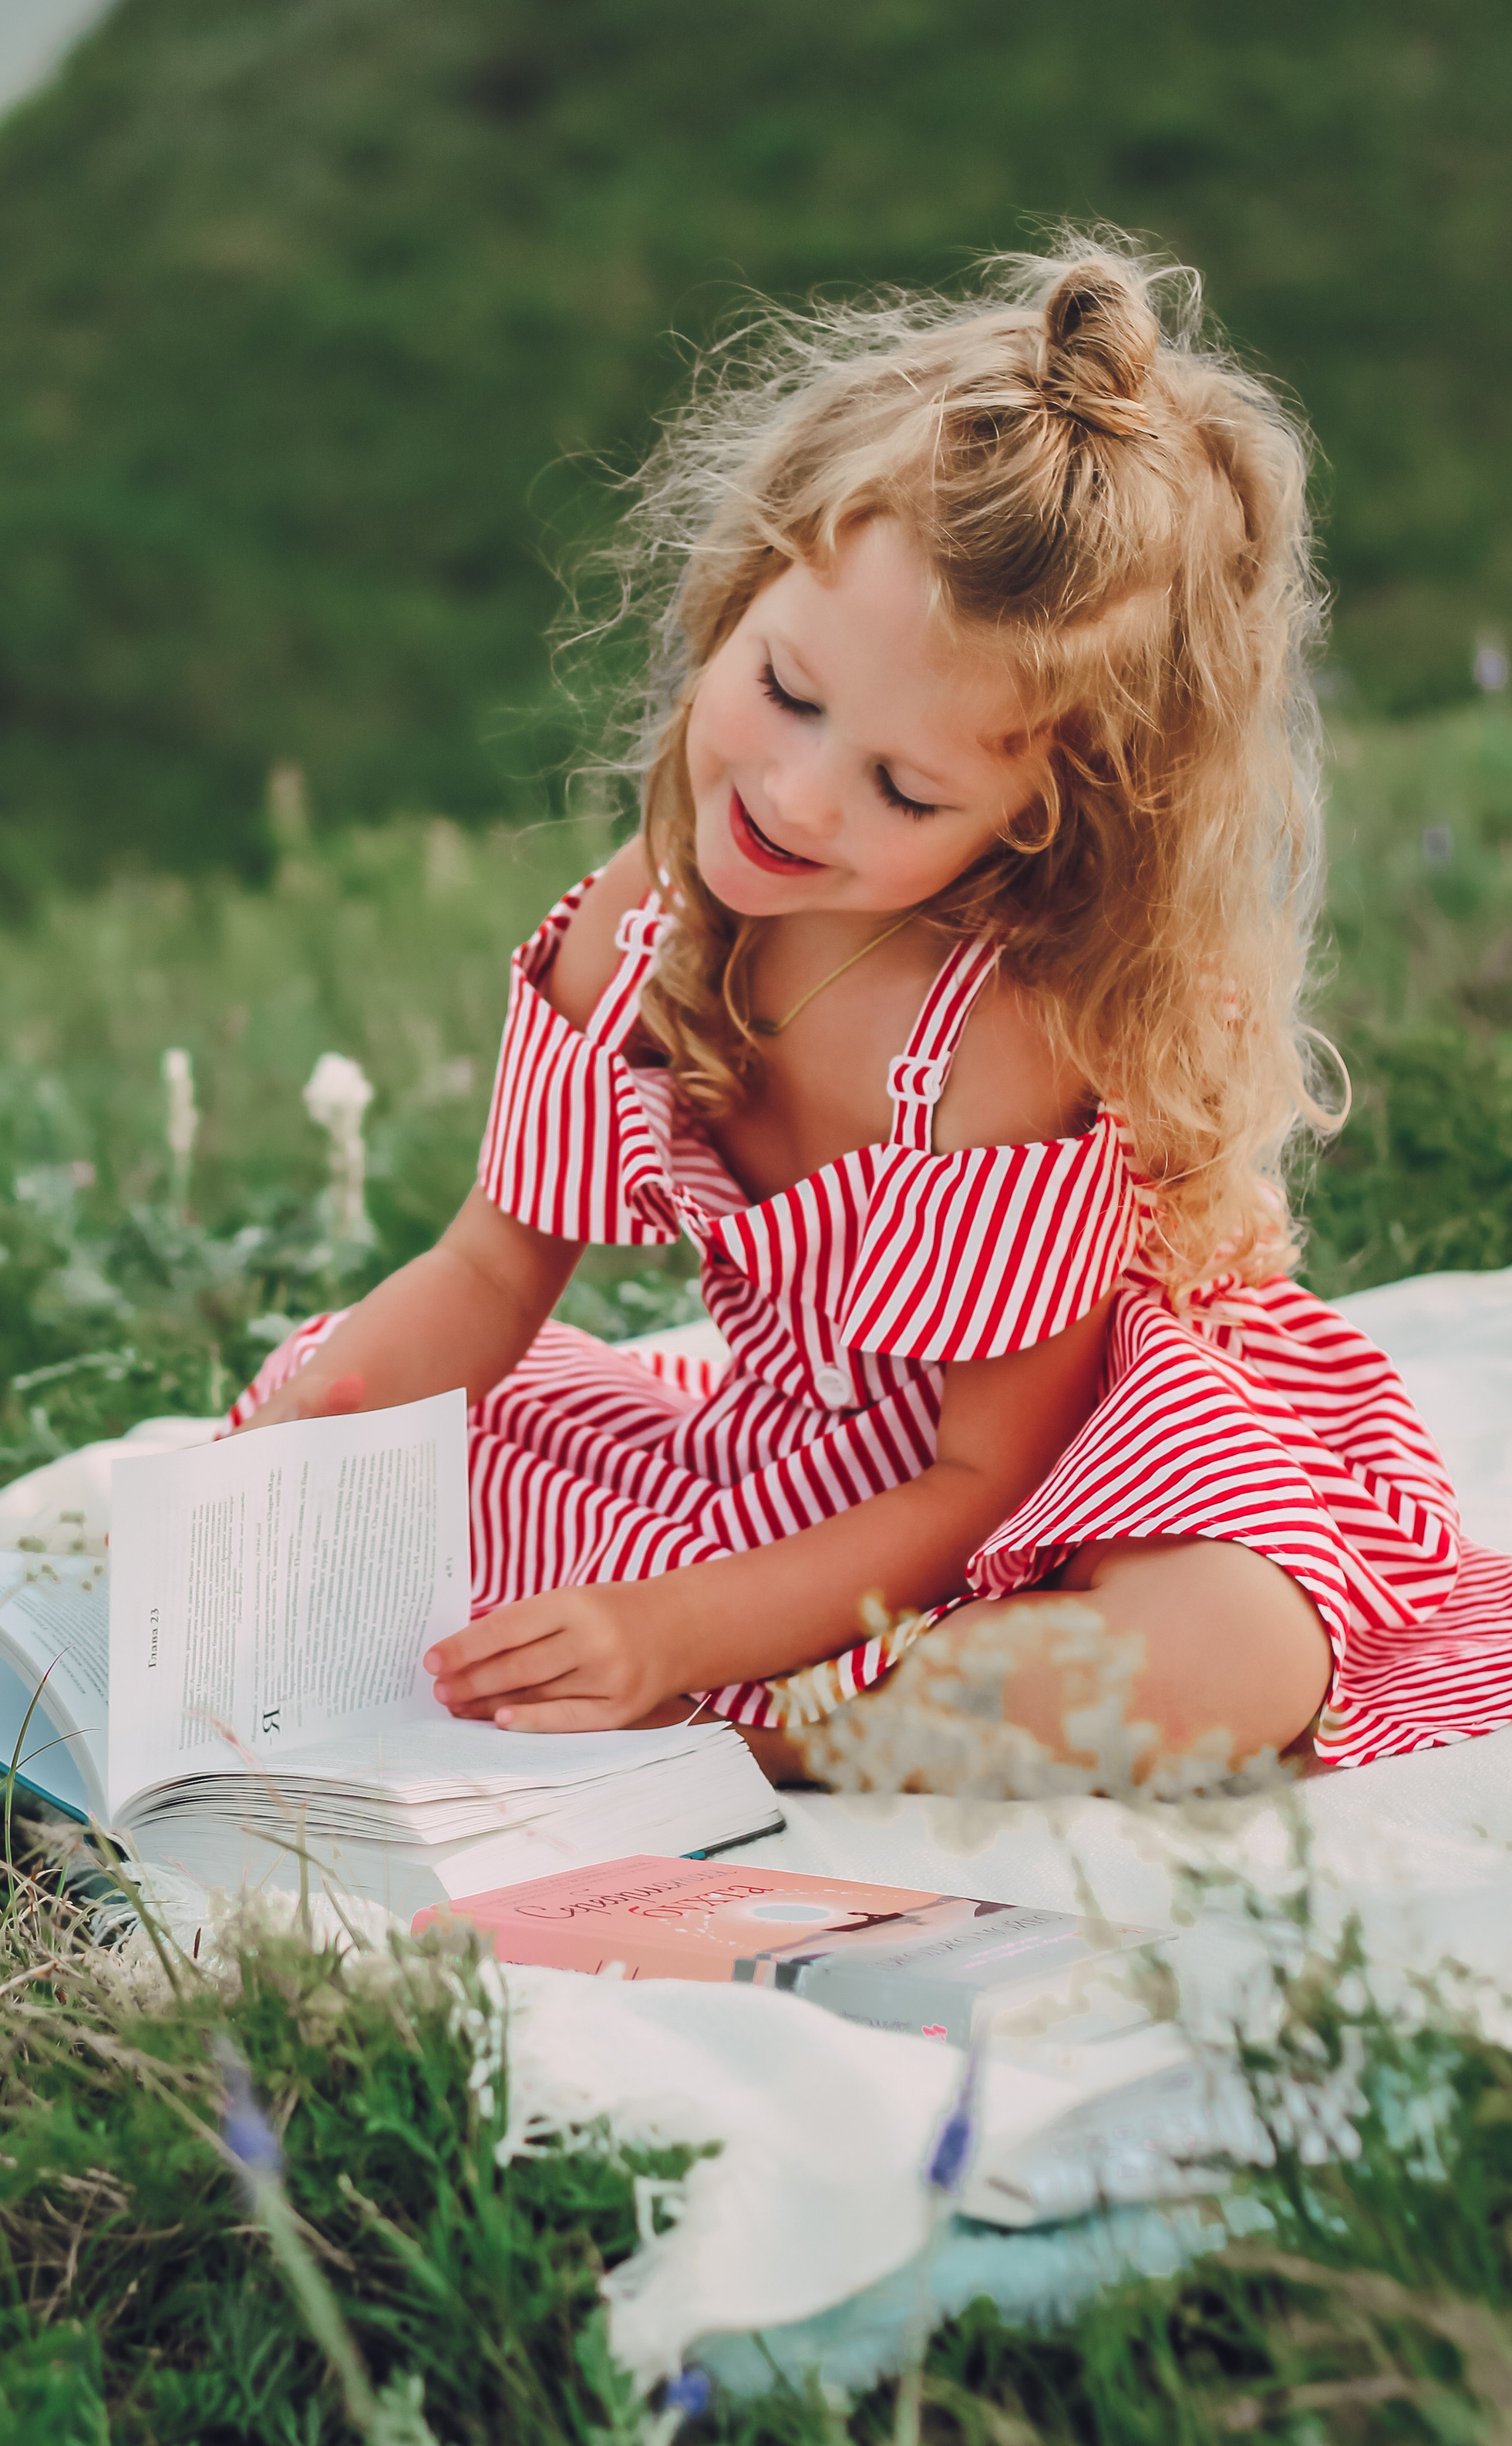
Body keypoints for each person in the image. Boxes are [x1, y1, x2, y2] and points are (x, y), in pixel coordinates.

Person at [234, 238, 1512, 1777]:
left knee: (1221, 1650)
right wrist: (285, 1464)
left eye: (903, 787)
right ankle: (760, 1667)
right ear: (747, 581)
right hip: (804, 1475)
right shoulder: (637, 923)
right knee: (350, 1426)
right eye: (781, 690)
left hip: (1080, 1473)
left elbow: (982, 1477)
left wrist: (671, 1636)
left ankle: (783, 1728)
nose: (791, 793)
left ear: (1040, 817)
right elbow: (490, 1270)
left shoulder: (997, 1039)